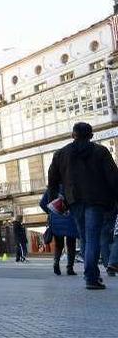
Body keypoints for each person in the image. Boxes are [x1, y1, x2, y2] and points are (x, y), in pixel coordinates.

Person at [47, 122, 118, 290]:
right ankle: (91, 277)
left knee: (86, 237)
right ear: (91, 136)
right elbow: (113, 178)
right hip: (97, 200)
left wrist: (53, 201)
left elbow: (52, 180)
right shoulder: (100, 152)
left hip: (74, 201)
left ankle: (91, 275)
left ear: (73, 135)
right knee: (93, 237)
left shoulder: (61, 154)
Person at [39, 188, 78, 276]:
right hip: (70, 218)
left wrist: (50, 212)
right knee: (71, 244)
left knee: (58, 245)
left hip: (56, 219)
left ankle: (56, 262)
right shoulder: (70, 186)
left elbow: (42, 203)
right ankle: (70, 268)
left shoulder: (51, 188)